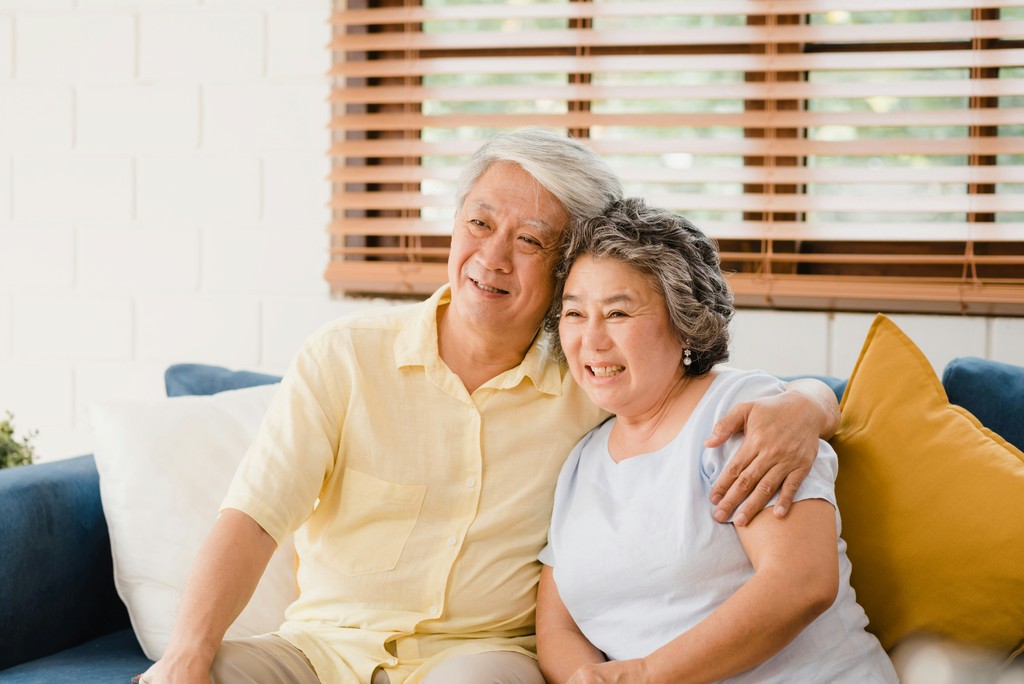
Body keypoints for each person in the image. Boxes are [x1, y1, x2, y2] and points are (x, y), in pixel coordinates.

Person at [141, 129, 841, 684]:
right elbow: (254, 518)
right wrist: (186, 654)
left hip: (478, 660)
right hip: (321, 652)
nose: (493, 256)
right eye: (479, 222)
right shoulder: (345, 357)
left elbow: (711, 391)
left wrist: (807, 405)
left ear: (569, 266)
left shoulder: (592, 374)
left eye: (531, 241)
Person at [536, 198, 897, 684]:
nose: (591, 339)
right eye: (575, 314)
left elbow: (802, 582)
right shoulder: (582, 462)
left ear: (683, 322)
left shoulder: (743, 412)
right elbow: (557, 623)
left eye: (618, 313)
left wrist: (643, 676)